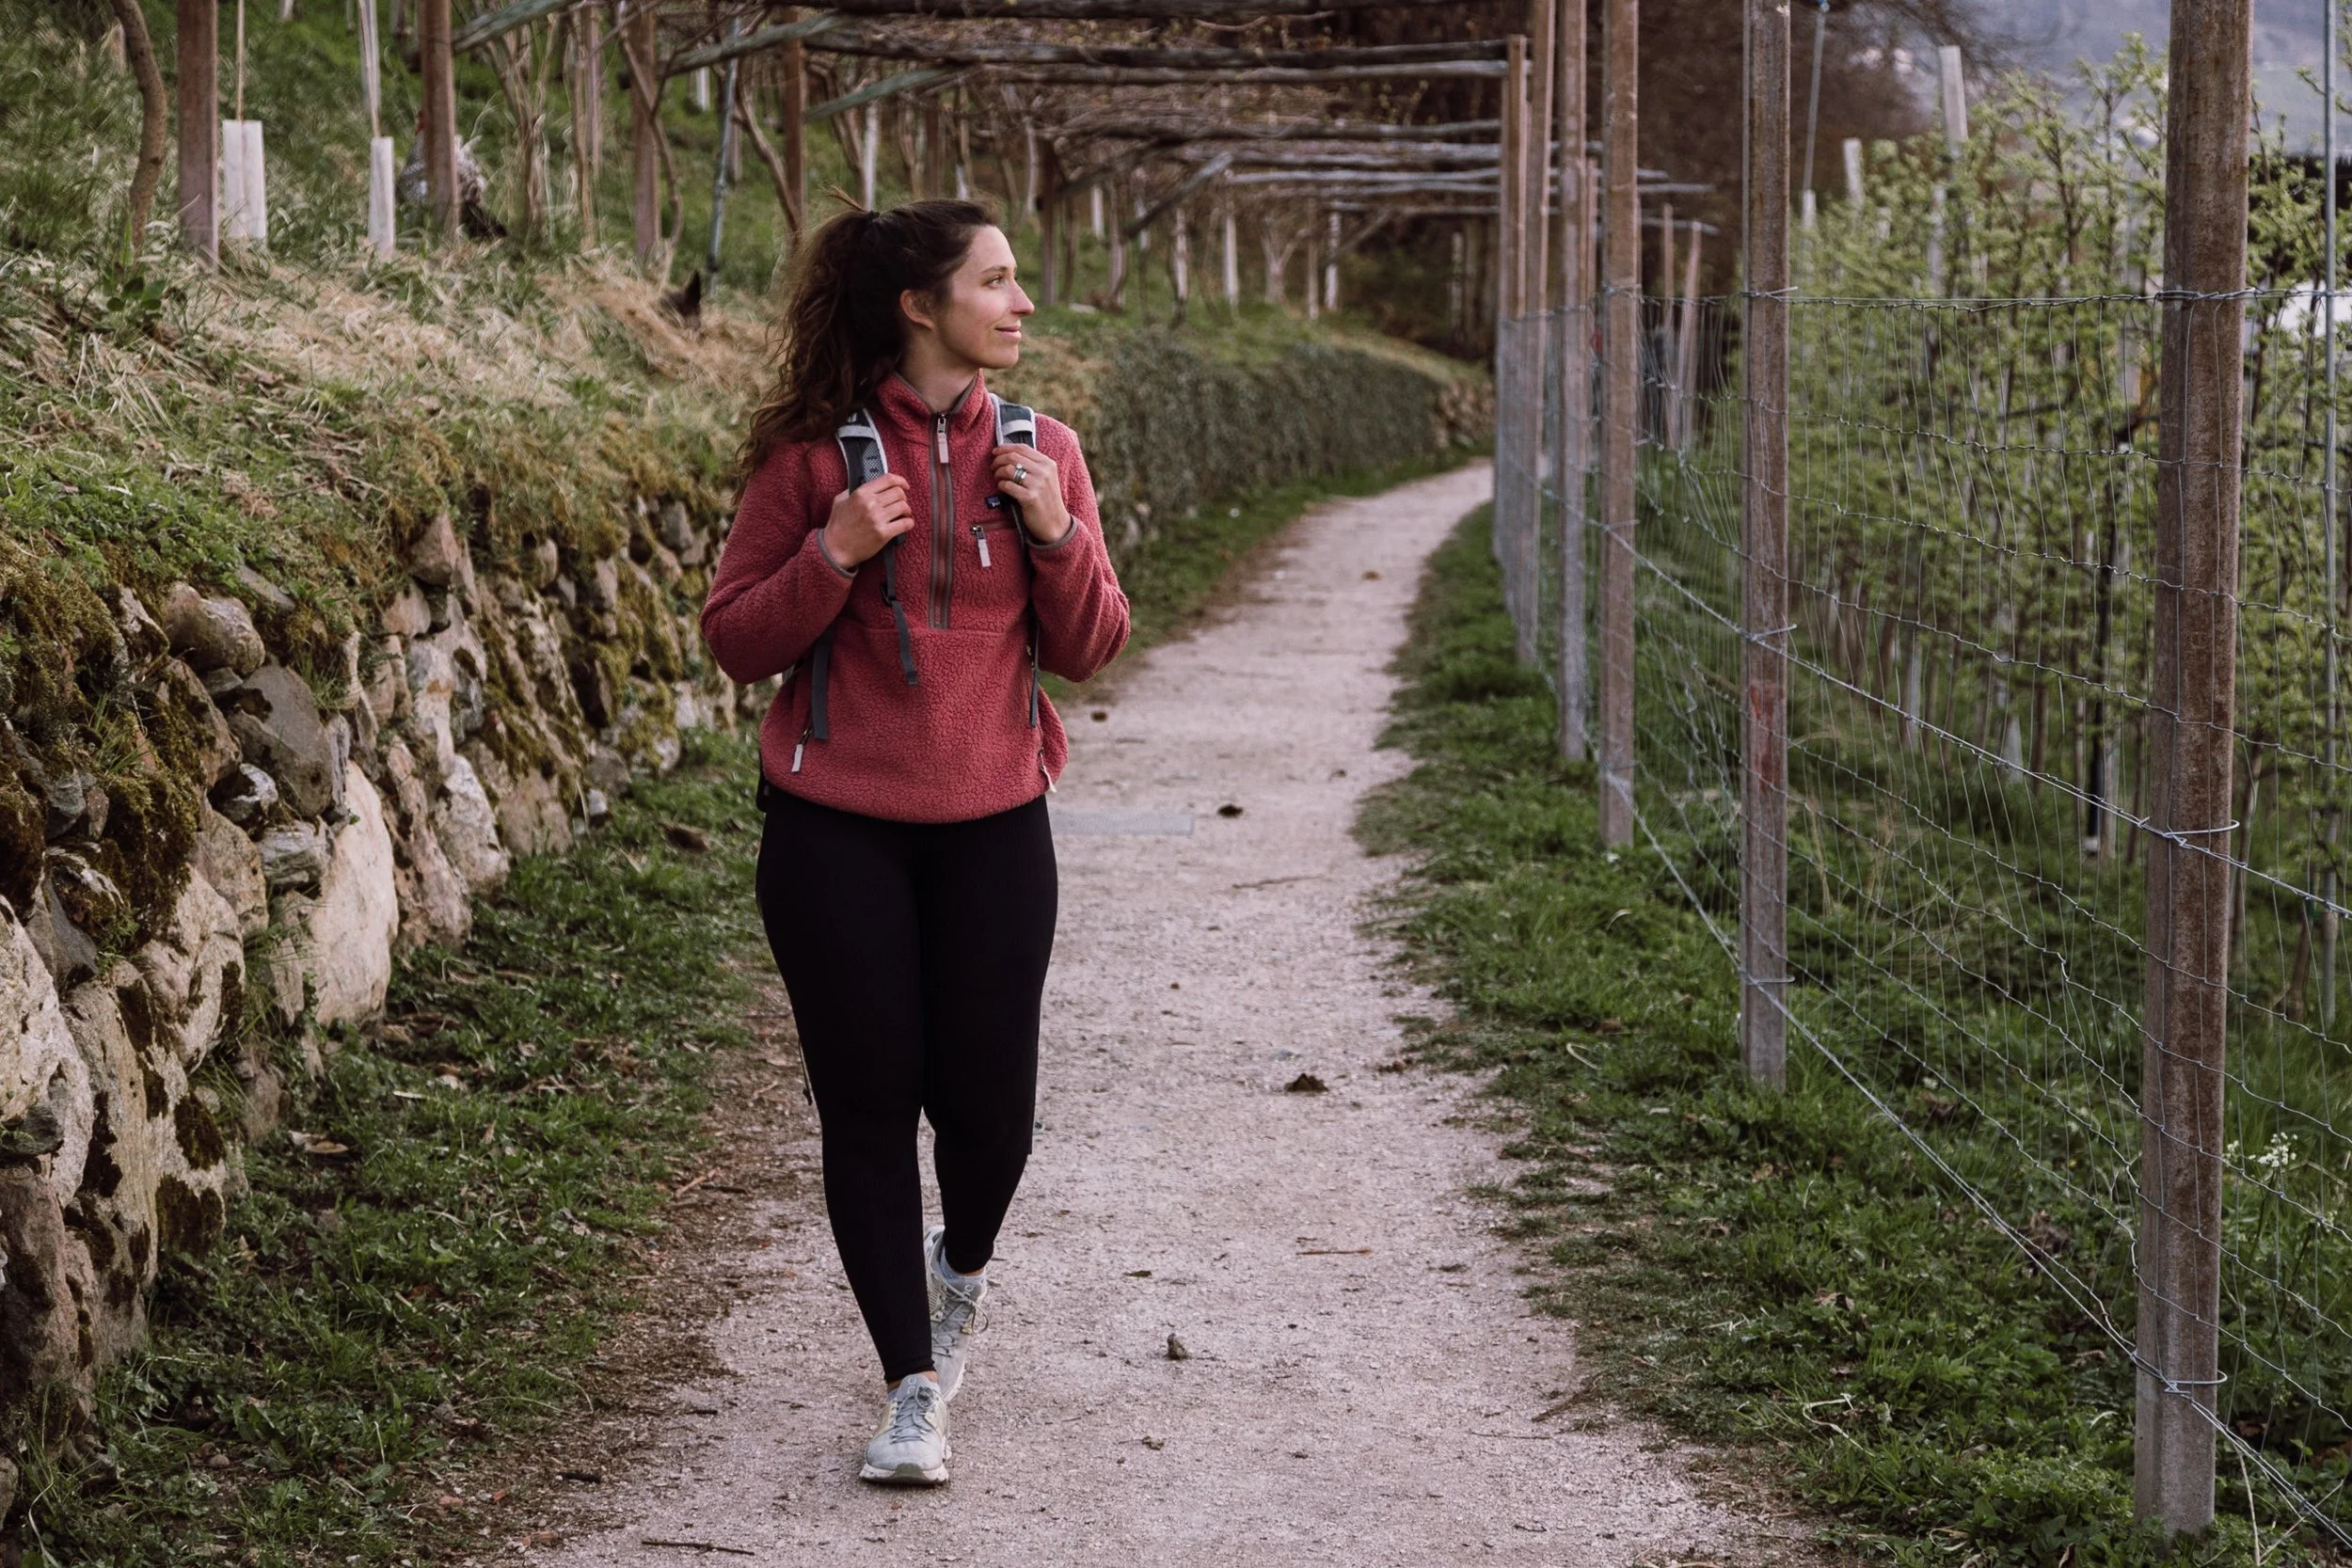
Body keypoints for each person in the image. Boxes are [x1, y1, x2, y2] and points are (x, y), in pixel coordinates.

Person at [701, 200, 1130, 1486]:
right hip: (834, 834)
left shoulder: (1044, 449)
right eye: (995, 281)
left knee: (993, 1115)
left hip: (994, 825)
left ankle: (961, 1269)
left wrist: (1055, 533)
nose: (1021, 302)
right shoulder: (809, 461)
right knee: (870, 1107)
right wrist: (831, 554)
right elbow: (735, 638)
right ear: (919, 305)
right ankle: (911, 1388)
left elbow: (1095, 645)